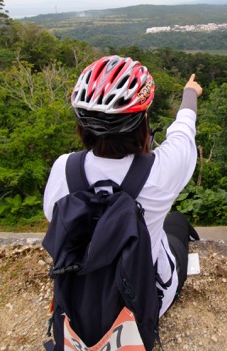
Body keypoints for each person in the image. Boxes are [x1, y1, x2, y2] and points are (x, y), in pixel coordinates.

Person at [43, 54, 201, 316]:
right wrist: (189, 92)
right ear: (142, 122)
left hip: (80, 302)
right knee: (177, 224)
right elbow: (184, 126)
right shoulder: (161, 171)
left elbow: (53, 217)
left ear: (83, 126)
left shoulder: (64, 168)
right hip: (143, 301)